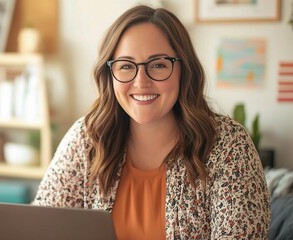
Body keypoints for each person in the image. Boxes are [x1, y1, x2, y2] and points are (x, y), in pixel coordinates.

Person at [33, 5, 271, 239]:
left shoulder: (229, 146)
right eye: (126, 66)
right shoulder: (86, 138)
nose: (141, 82)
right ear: (110, 74)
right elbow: (37, 228)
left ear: (184, 70)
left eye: (158, 65)